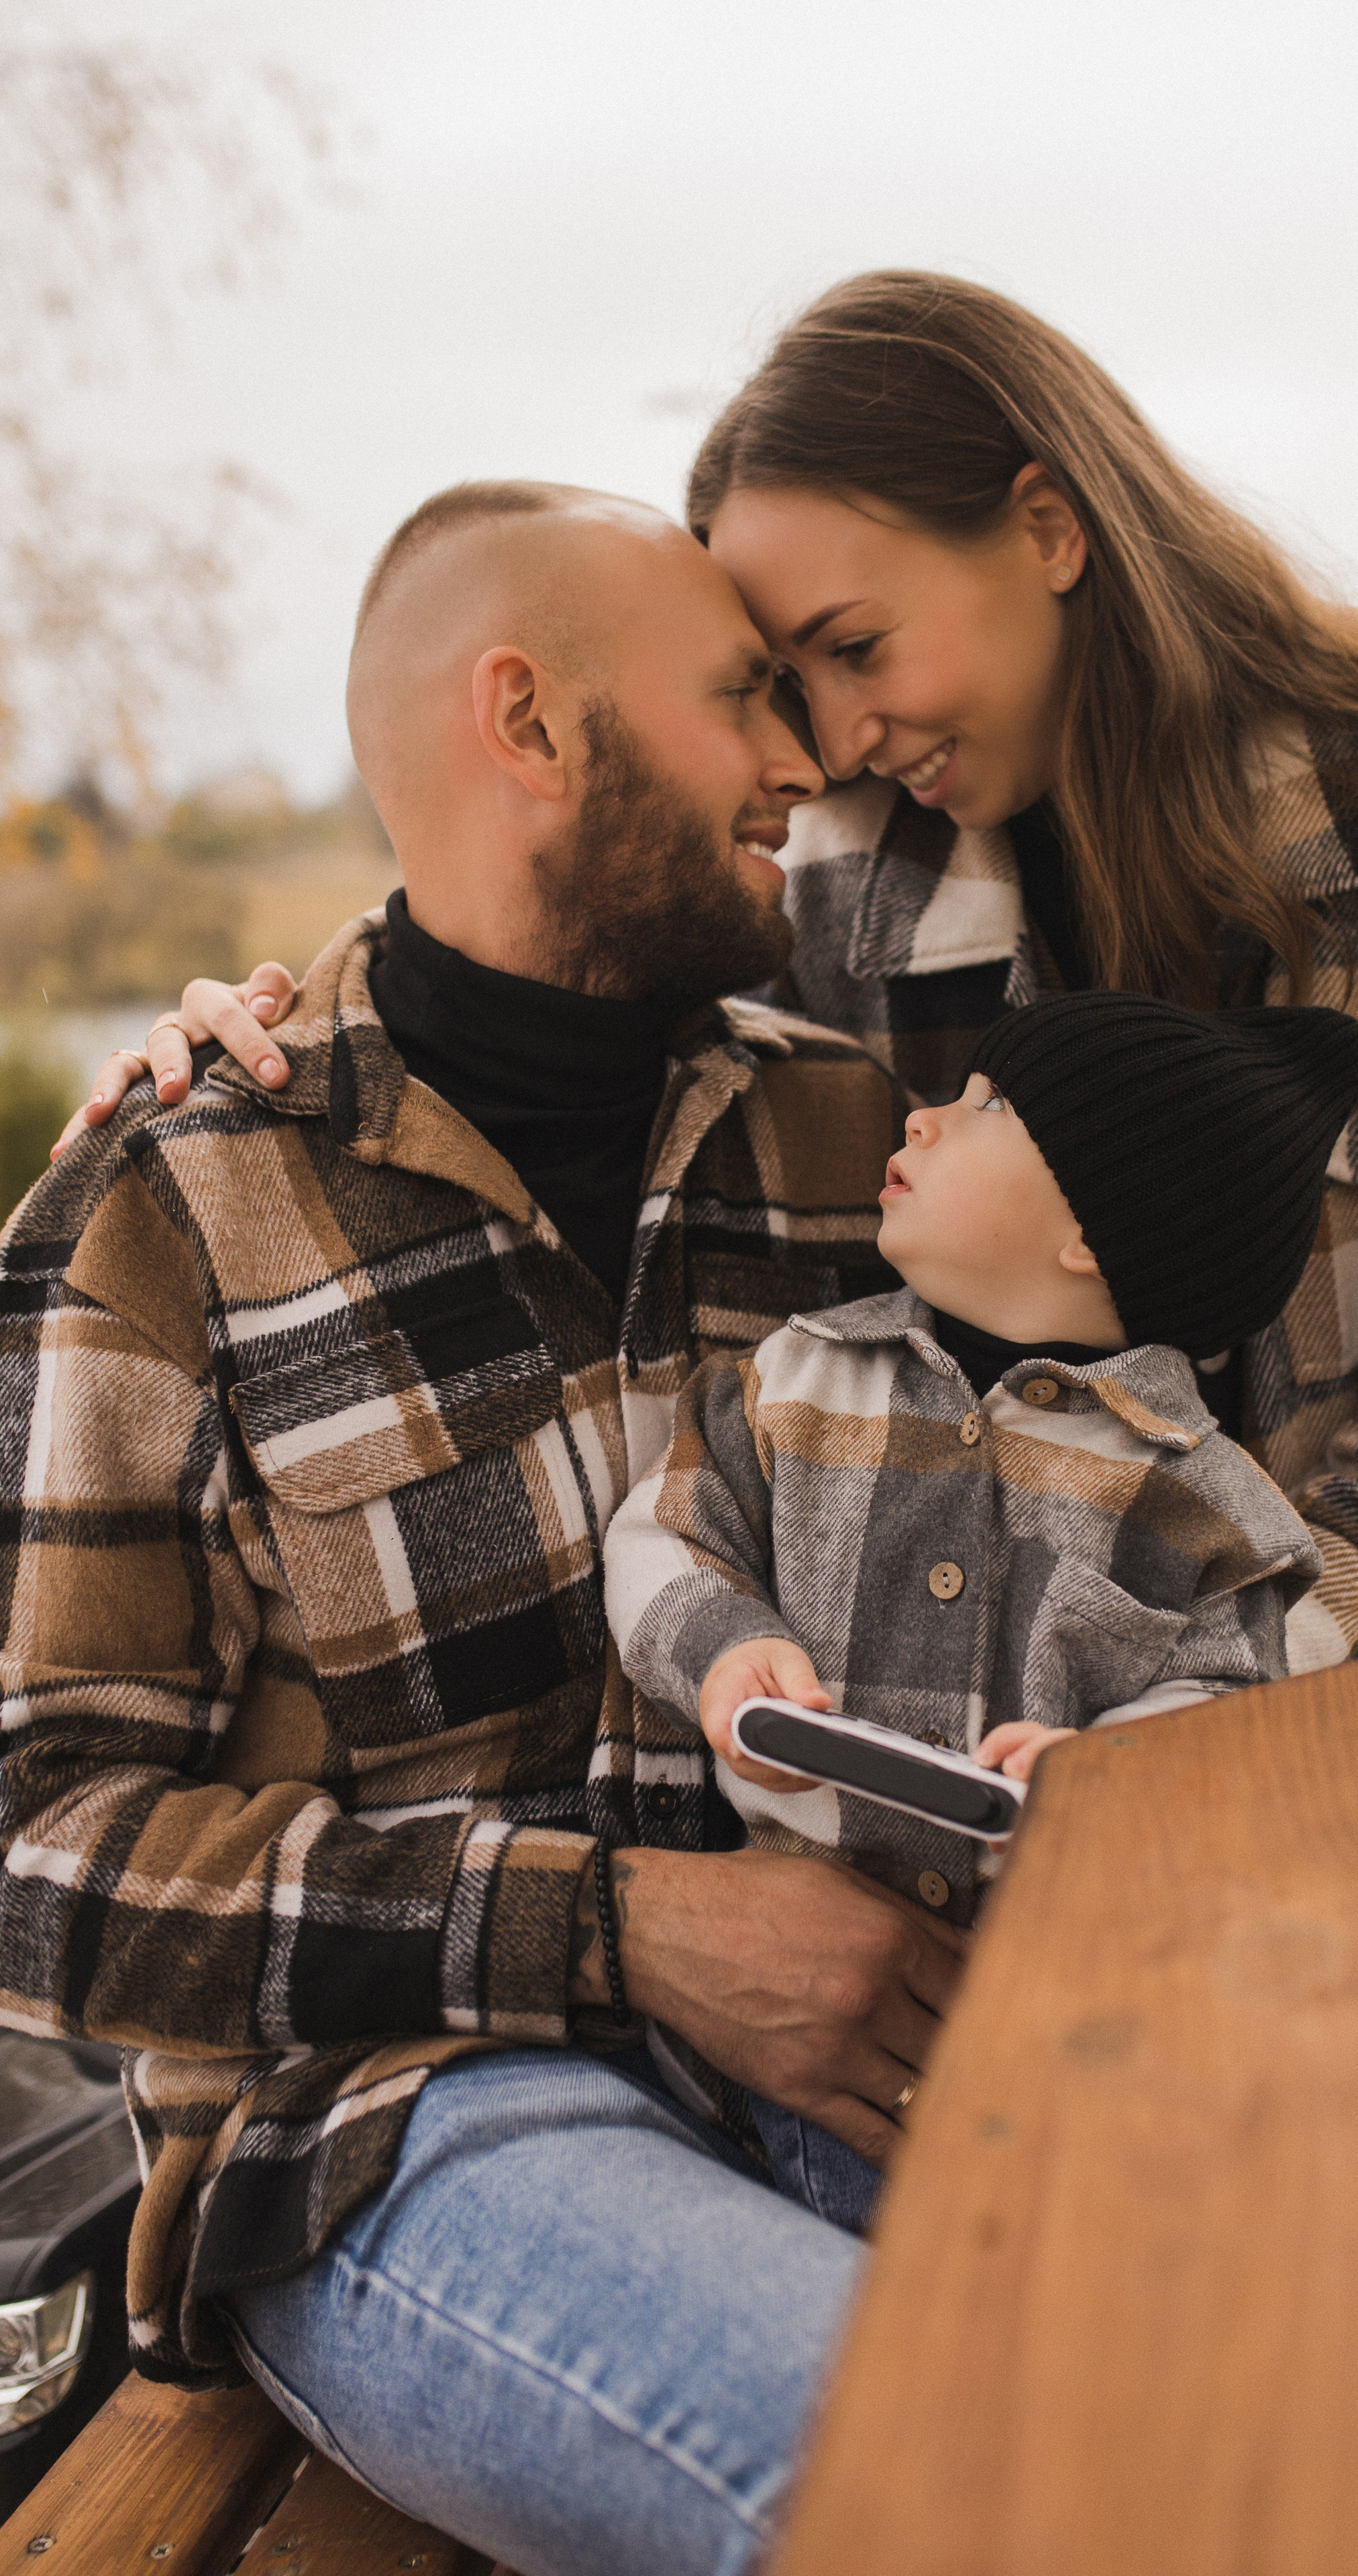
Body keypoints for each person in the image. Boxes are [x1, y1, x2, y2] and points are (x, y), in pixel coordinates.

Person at [81, 270, 1358, 1668]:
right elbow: (539, 980)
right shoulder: (841, 875)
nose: (825, 741)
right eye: (780, 682)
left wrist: (1255, 1644)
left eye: (855, 648)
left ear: (1047, 527)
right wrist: (284, 1031)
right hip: (984, 1755)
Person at [0, 480, 974, 2576]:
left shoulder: (853, 1139)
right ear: (529, 723)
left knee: (1245, 2350)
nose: (803, 767)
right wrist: (617, 1927)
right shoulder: (165, 1216)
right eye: (744, 702)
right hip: (392, 2125)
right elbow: (41, 1862)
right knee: (930, 2478)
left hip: (860, 2036)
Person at [605, 991, 1358, 2234]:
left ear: (1091, 1229)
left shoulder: (1196, 1491)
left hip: (1074, 2020)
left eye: (988, 1107)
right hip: (787, 2030)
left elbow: (1237, 1702)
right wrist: (723, 1650)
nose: (926, 1114)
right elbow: (668, 1530)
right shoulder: (795, 1376)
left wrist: (1113, 1772)